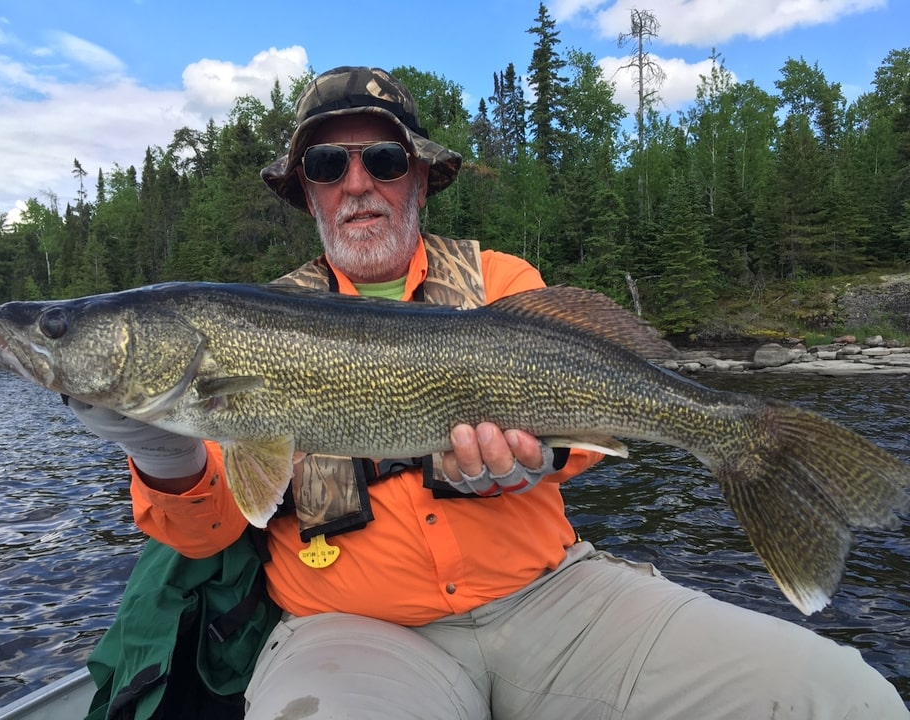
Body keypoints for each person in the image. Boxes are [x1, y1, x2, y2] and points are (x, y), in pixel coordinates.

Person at [71, 66, 909, 719]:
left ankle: (748, 443)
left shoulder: (502, 285)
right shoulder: (251, 322)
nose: (357, 183)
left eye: (384, 159)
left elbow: (586, 421)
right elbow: (214, 526)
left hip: (556, 600)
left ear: (422, 179)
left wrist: (539, 454)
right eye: (329, 165)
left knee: (839, 694)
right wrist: (165, 454)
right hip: (355, 633)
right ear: (308, 192)